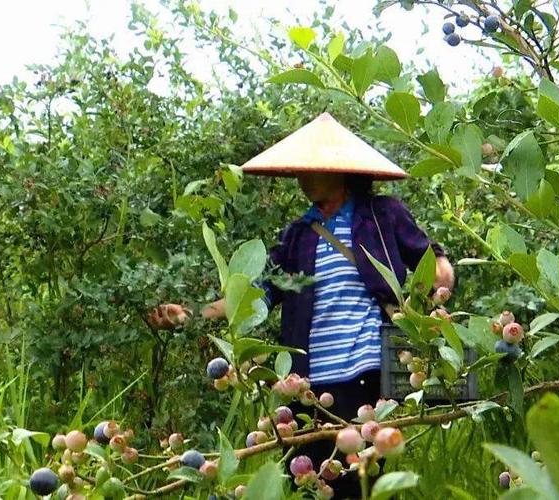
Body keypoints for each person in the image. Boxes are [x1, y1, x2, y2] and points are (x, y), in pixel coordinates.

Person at [147, 113, 454, 498]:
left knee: (357, 478)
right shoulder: (297, 236)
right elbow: (258, 292)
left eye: (311, 168)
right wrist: (193, 314)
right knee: (309, 481)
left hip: (366, 371)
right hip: (308, 381)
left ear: (339, 171)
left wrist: (437, 280)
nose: (302, 177)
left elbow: (429, 258)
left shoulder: (380, 215)